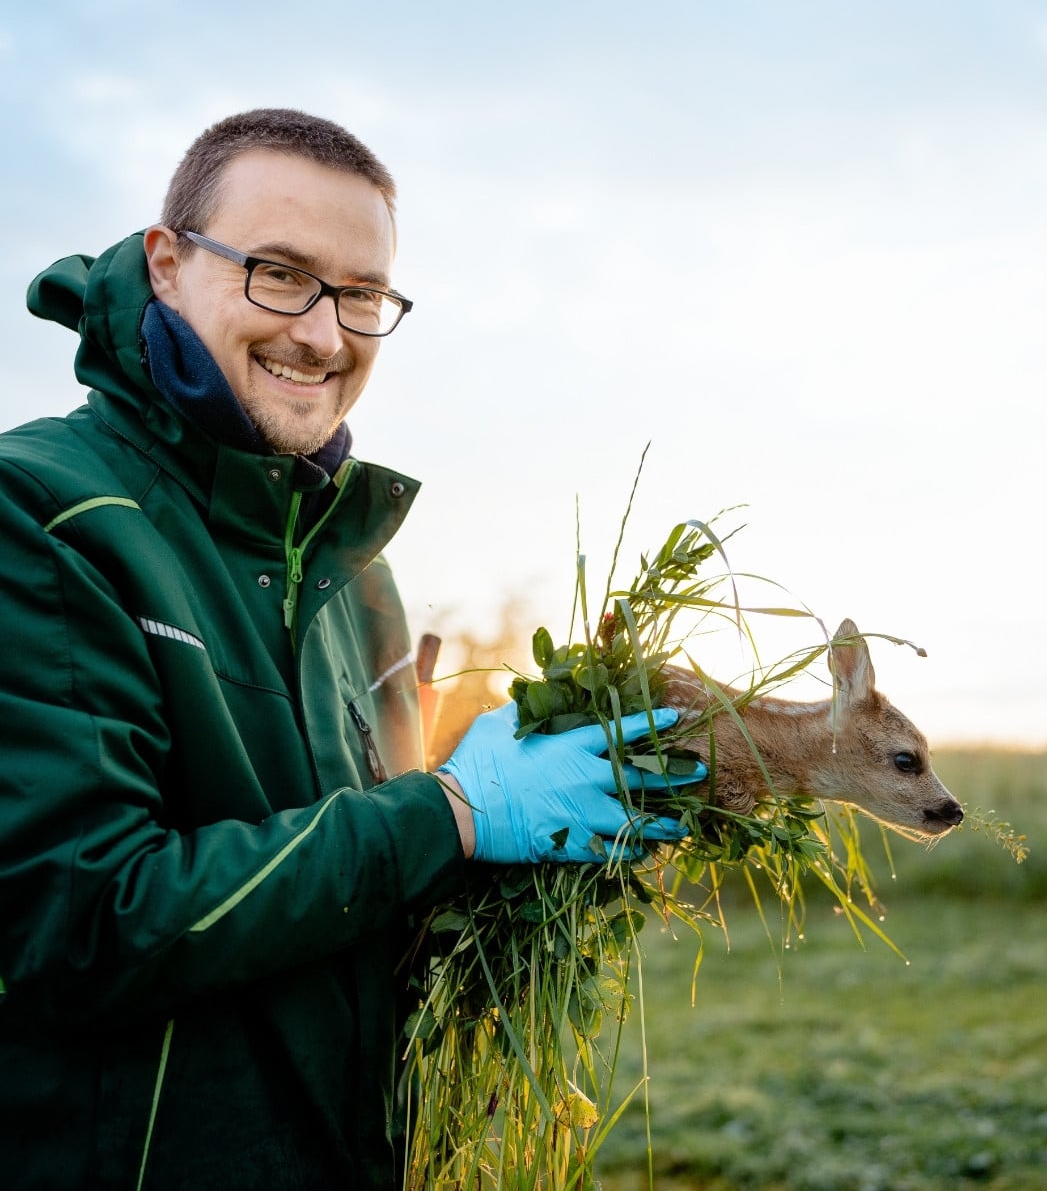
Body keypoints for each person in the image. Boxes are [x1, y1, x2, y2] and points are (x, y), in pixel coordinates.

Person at [0, 109, 697, 1189]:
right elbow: (77, 925)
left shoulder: (355, 570)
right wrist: (452, 813)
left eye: (362, 294)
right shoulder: (43, 511)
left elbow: (362, 890)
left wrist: (507, 861)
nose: (324, 336)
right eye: (278, 273)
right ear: (168, 262)